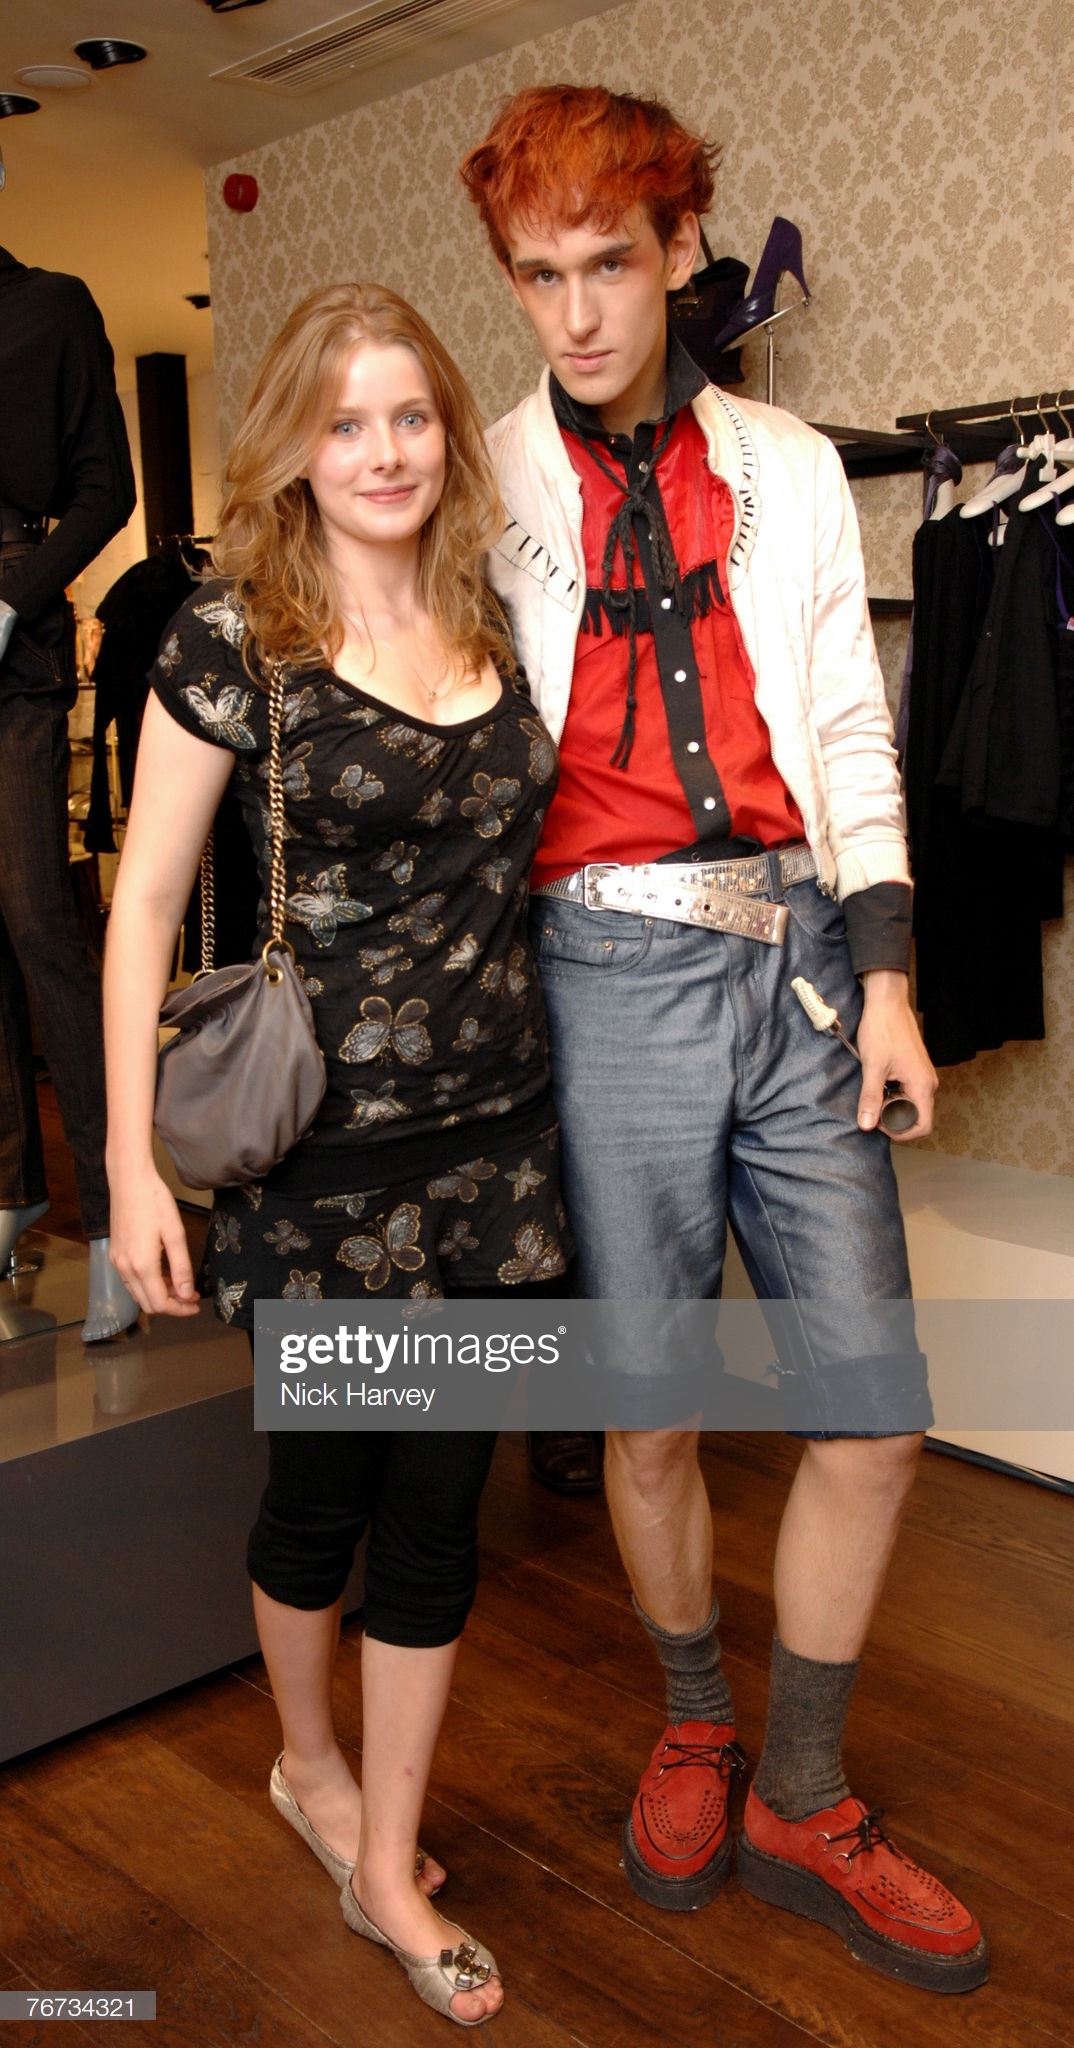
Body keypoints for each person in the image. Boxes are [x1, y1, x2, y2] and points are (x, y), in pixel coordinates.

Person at [460, 87, 988, 1993]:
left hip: (802, 966)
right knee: (651, 1408)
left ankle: (801, 1788)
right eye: (537, 276)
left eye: (608, 264)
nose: (575, 312)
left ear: (680, 249)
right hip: (601, 974)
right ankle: (693, 1717)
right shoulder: (479, 476)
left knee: (872, 1416)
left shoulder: (781, 462)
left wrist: (891, 975)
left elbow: (845, 722)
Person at [104, 281, 571, 2028]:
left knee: (441, 1509)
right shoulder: (234, 634)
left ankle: (384, 1857)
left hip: (499, 1148)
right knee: (325, 1498)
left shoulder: (488, 609)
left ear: (446, 430)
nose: (384, 452)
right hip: (324, 1168)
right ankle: (309, 1762)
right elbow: (143, 905)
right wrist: (135, 1166)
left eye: (411, 417)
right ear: (297, 444)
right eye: (346, 421)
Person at [0, 229, 139, 1341]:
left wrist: (15, 599)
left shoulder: (50, 306)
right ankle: (11, 1188)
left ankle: (113, 1217)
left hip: (15, 639)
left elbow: (108, 489)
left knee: (40, 920)